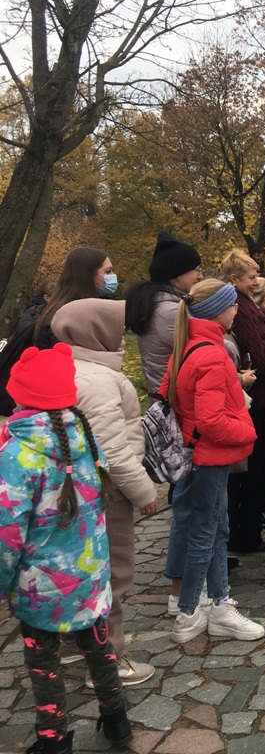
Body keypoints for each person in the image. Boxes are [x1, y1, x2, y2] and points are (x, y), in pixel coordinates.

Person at [0, 343, 133, 753]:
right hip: (90, 575)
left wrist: (3, 584)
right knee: (99, 649)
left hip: (41, 586)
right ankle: (116, 720)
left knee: (44, 663)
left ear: (19, 396)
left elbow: (8, 532)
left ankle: (53, 737)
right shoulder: (84, 439)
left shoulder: (17, 454)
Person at [51, 299, 160, 688]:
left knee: (78, 570)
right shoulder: (96, 379)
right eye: (115, 326)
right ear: (96, 330)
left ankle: (70, 642)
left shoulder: (68, 368)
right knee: (114, 574)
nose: (124, 334)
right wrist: (144, 491)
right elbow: (112, 449)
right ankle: (109, 659)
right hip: (105, 491)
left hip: (74, 491)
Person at [160, 280, 263, 644]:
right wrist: (247, 432)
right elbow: (210, 420)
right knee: (207, 532)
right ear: (219, 309)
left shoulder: (188, 347)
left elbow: (171, 397)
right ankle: (190, 613)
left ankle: (219, 606)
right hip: (208, 456)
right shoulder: (212, 354)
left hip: (196, 455)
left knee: (216, 529)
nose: (237, 310)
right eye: (233, 304)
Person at [0, 248, 117, 416]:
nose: (112, 276)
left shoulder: (60, 308)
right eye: (108, 271)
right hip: (66, 407)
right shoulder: (71, 316)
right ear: (88, 275)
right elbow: (76, 367)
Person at [221, 249, 265, 555]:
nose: (256, 282)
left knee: (257, 471)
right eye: (252, 277)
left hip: (260, 395)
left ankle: (249, 529)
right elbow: (260, 353)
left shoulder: (245, 306)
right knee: (254, 471)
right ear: (235, 279)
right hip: (256, 398)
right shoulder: (241, 309)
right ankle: (247, 533)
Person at [125, 233, 204, 397]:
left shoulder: (165, 304)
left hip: (172, 396)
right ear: (177, 274)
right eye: (196, 270)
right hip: (174, 401)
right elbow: (207, 348)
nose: (200, 276)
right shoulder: (169, 311)